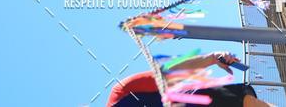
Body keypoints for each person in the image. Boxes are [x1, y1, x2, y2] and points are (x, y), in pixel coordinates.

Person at [106, 53, 273, 106]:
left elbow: (172, 72)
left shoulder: (121, 93)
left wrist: (212, 58)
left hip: (203, 102)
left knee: (247, 102)